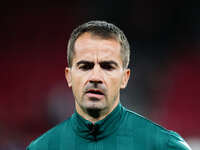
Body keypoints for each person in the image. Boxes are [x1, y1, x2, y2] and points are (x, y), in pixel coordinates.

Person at [27, 20, 191, 150]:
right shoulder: (42, 147)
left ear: (125, 78)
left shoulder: (165, 145)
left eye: (107, 66)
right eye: (85, 66)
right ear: (69, 76)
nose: (95, 77)